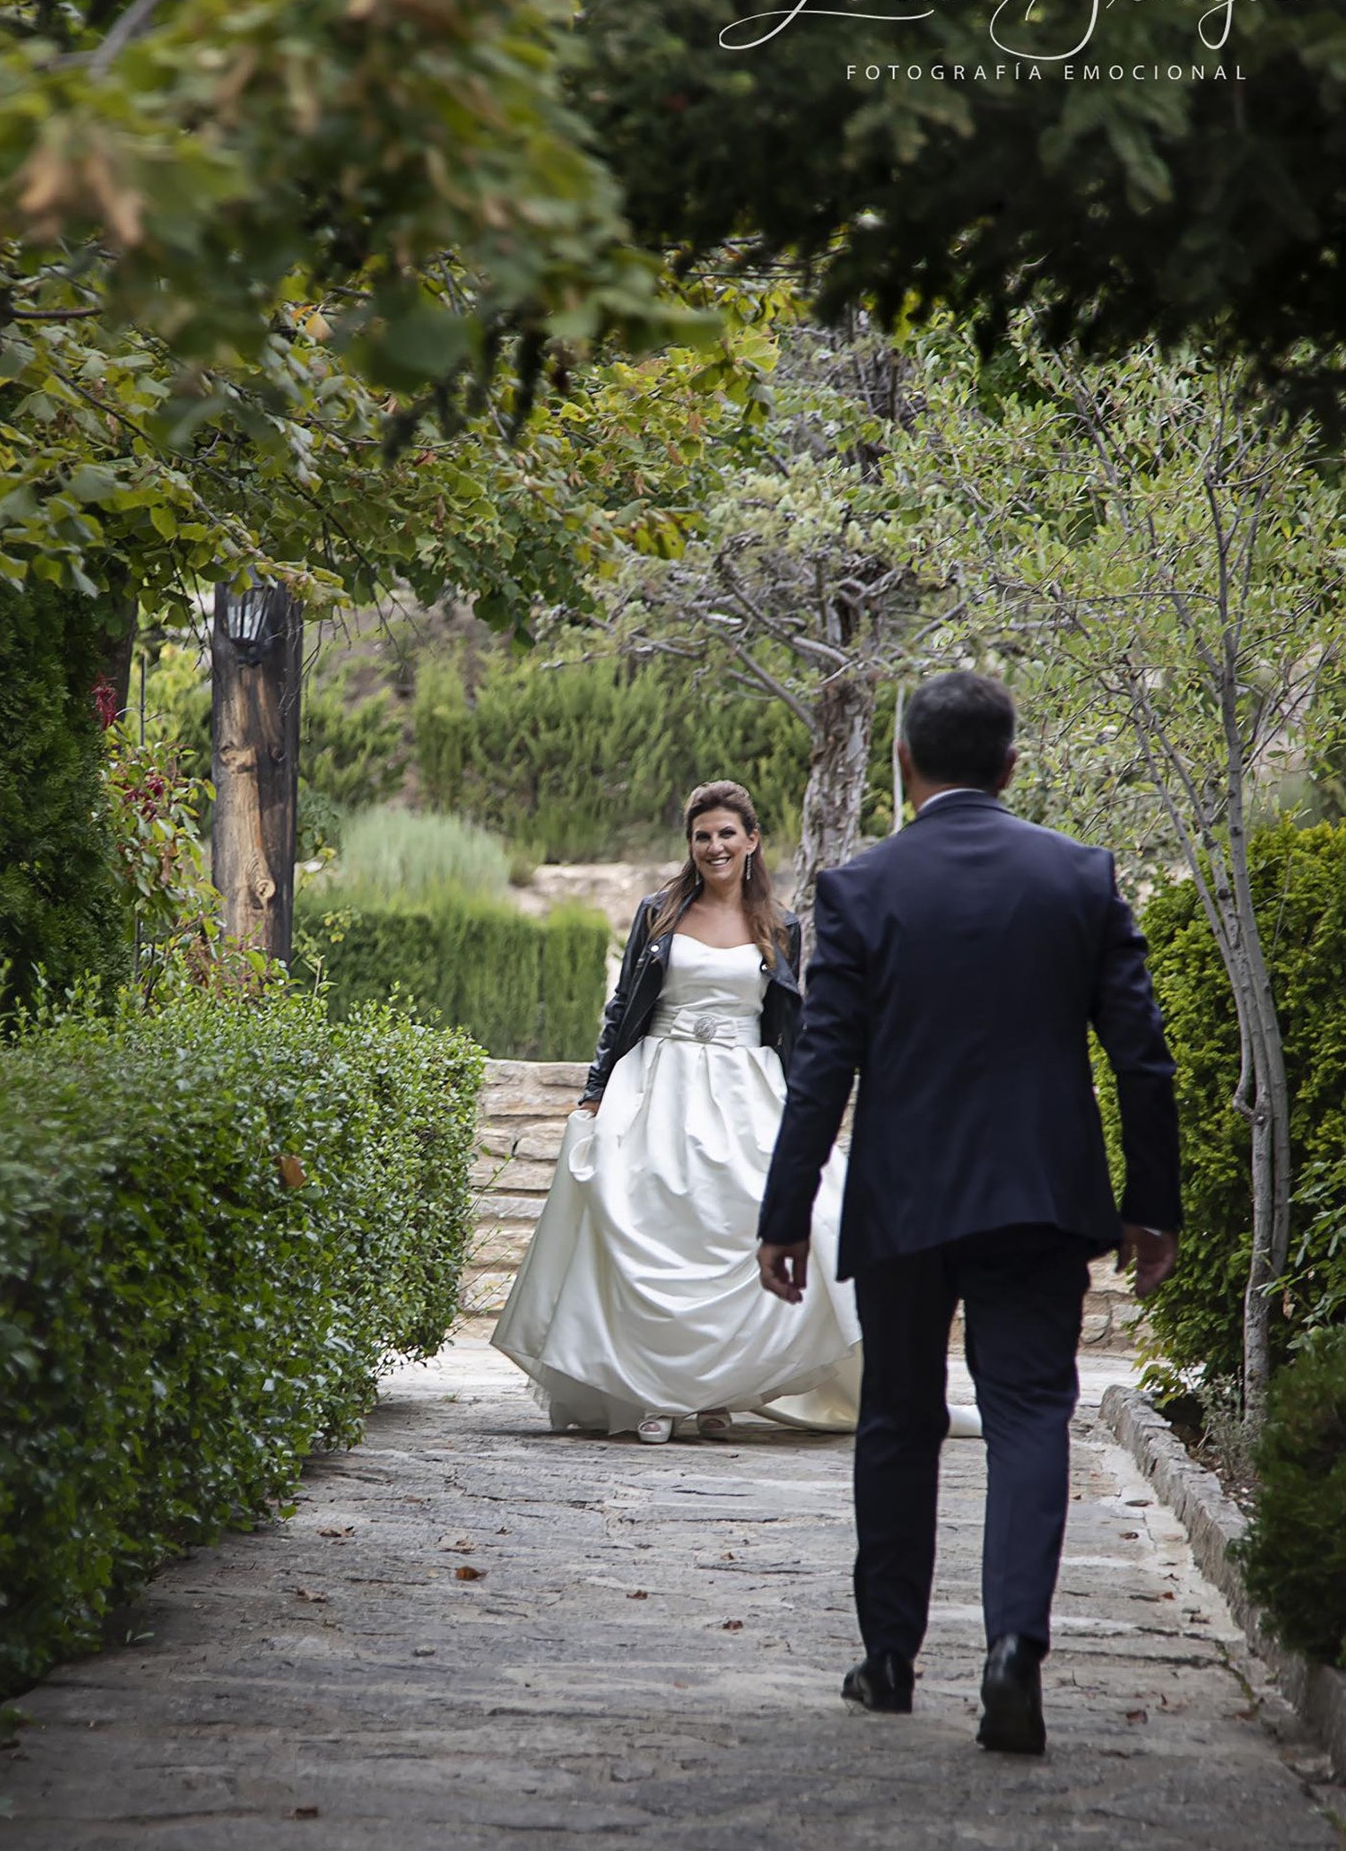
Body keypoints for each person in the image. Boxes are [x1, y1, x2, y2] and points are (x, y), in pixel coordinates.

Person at [757, 672, 1181, 1756]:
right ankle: (1012, 1651)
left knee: (897, 1417)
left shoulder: (860, 888)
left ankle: (889, 1660)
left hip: (904, 1196)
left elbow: (821, 1065)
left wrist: (785, 1210)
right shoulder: (1078, 875)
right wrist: (1151, 1205)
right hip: (1040, 1197)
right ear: (1010, 765)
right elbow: (1141, 1056)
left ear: (902, 762)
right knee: (1029, 1413)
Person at [494, 780, 985, 1444]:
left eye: (727, 833)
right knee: (653, 1225)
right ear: (690, 844)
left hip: (744, 1089)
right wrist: (595, 1089)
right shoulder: (657, 913)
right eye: (702, 836)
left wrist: (809, 1106)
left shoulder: (779, 925)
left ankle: (718, 1394)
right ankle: (653, 1394)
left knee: (764, 1219)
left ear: (752, 840)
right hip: (657, 1084)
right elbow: (624, 1007)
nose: (714, 846)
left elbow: (789, 1022)